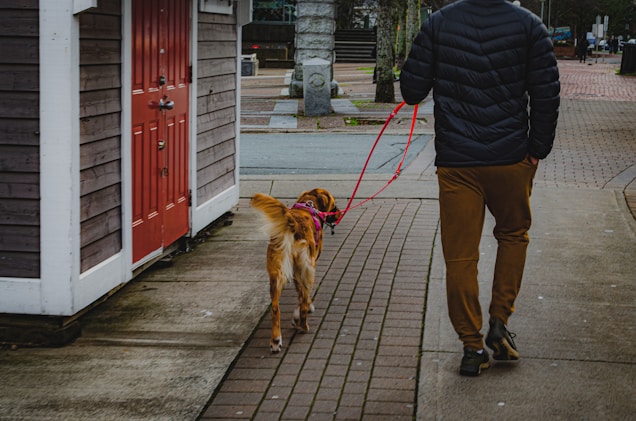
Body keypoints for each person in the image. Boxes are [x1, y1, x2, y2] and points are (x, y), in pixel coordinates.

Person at [400, 0, 560, 377]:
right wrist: (536, 150)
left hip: (457, 163)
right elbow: (546, 94)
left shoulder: (439, 24)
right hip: (510, 158)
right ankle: (500, 320)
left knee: (460, 257)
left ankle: (471, 346)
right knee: (513, 235)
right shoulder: (530, 26)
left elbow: (411, 91)